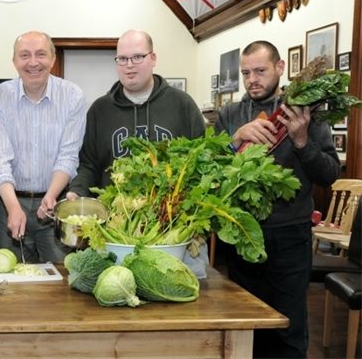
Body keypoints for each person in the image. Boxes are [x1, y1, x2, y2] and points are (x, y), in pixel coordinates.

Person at [214, 40, 340, 358]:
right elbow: (212, 169)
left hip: (290, 233)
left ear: (280, 68)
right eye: (246, 73)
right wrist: (234, 140)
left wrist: (301, 141)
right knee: (247, 323)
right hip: (242, 233)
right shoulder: (230, 114)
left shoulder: (307, 110)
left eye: (260, 71)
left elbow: (328, 174)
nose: (252, 79)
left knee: (289, 327)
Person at [0, 31, 86, 263]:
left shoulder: (72, 96)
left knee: (61, 277)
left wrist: (51, 196)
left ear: (52, 58)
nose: (33, 62)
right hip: (8, 203)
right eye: (24, 55)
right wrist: (13, 207)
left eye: (40, 54)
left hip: (54, 204)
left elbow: (68, 156)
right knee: (13, 280)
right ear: (14, 61)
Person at [67, 30, 205, 197]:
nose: (129, 65)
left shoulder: (183, 105)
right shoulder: (99, 110)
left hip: (170, 214)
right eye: (122, 59)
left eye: (138, 57)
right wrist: (76, 191)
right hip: (113, 216)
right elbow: (88, 165)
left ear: (153, 58)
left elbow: (200, 160)